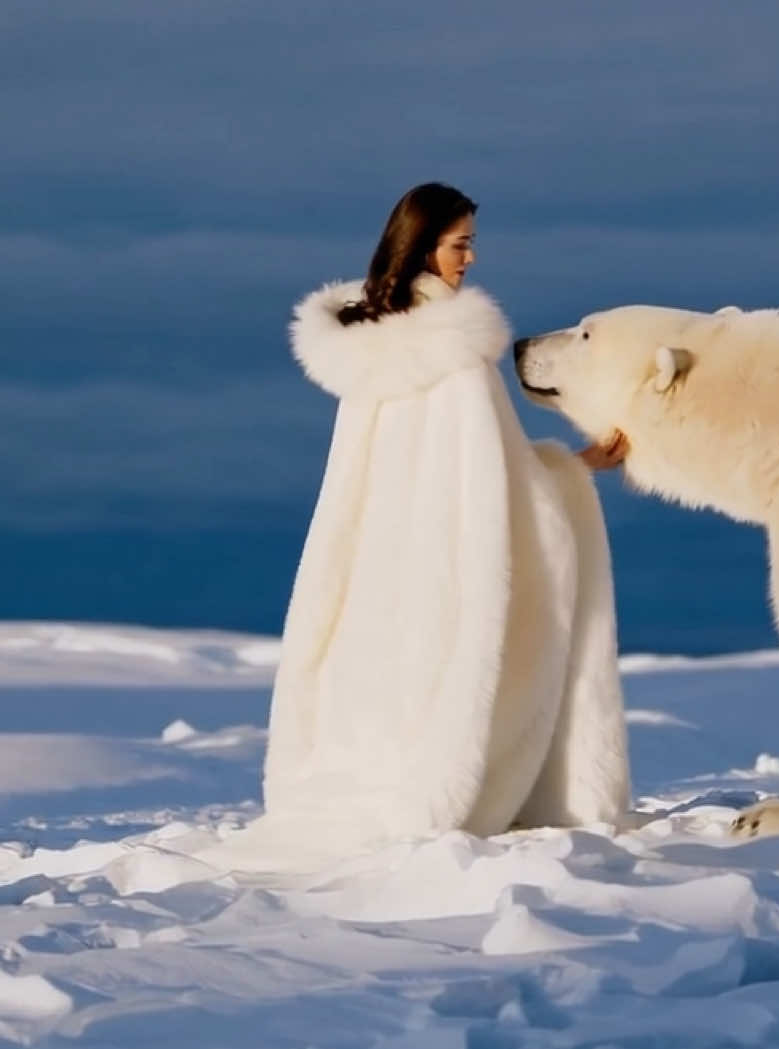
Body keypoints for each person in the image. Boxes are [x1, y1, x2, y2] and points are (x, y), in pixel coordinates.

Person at [259, 182, 631, 845]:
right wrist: (574, 470)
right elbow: (495, 483)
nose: (471, 260)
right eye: (460, 245)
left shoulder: (371, 351)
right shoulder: (456, 358)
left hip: (379, 572)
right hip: (446, 565)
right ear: (423, 249)